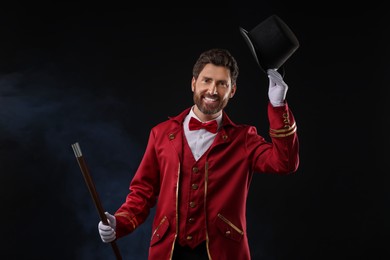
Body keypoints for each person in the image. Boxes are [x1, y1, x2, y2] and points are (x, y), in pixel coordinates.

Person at [98, 48, 299, 259]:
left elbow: (285, 162)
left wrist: (278, 105)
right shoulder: (161, 134)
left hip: (223, 252)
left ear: (232, 90)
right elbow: (142, 192)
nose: (213, 90)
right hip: (169, 251)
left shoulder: (244, 138)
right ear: (193, 83)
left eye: (222, 84)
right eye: (207, 80)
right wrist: (118, 223)